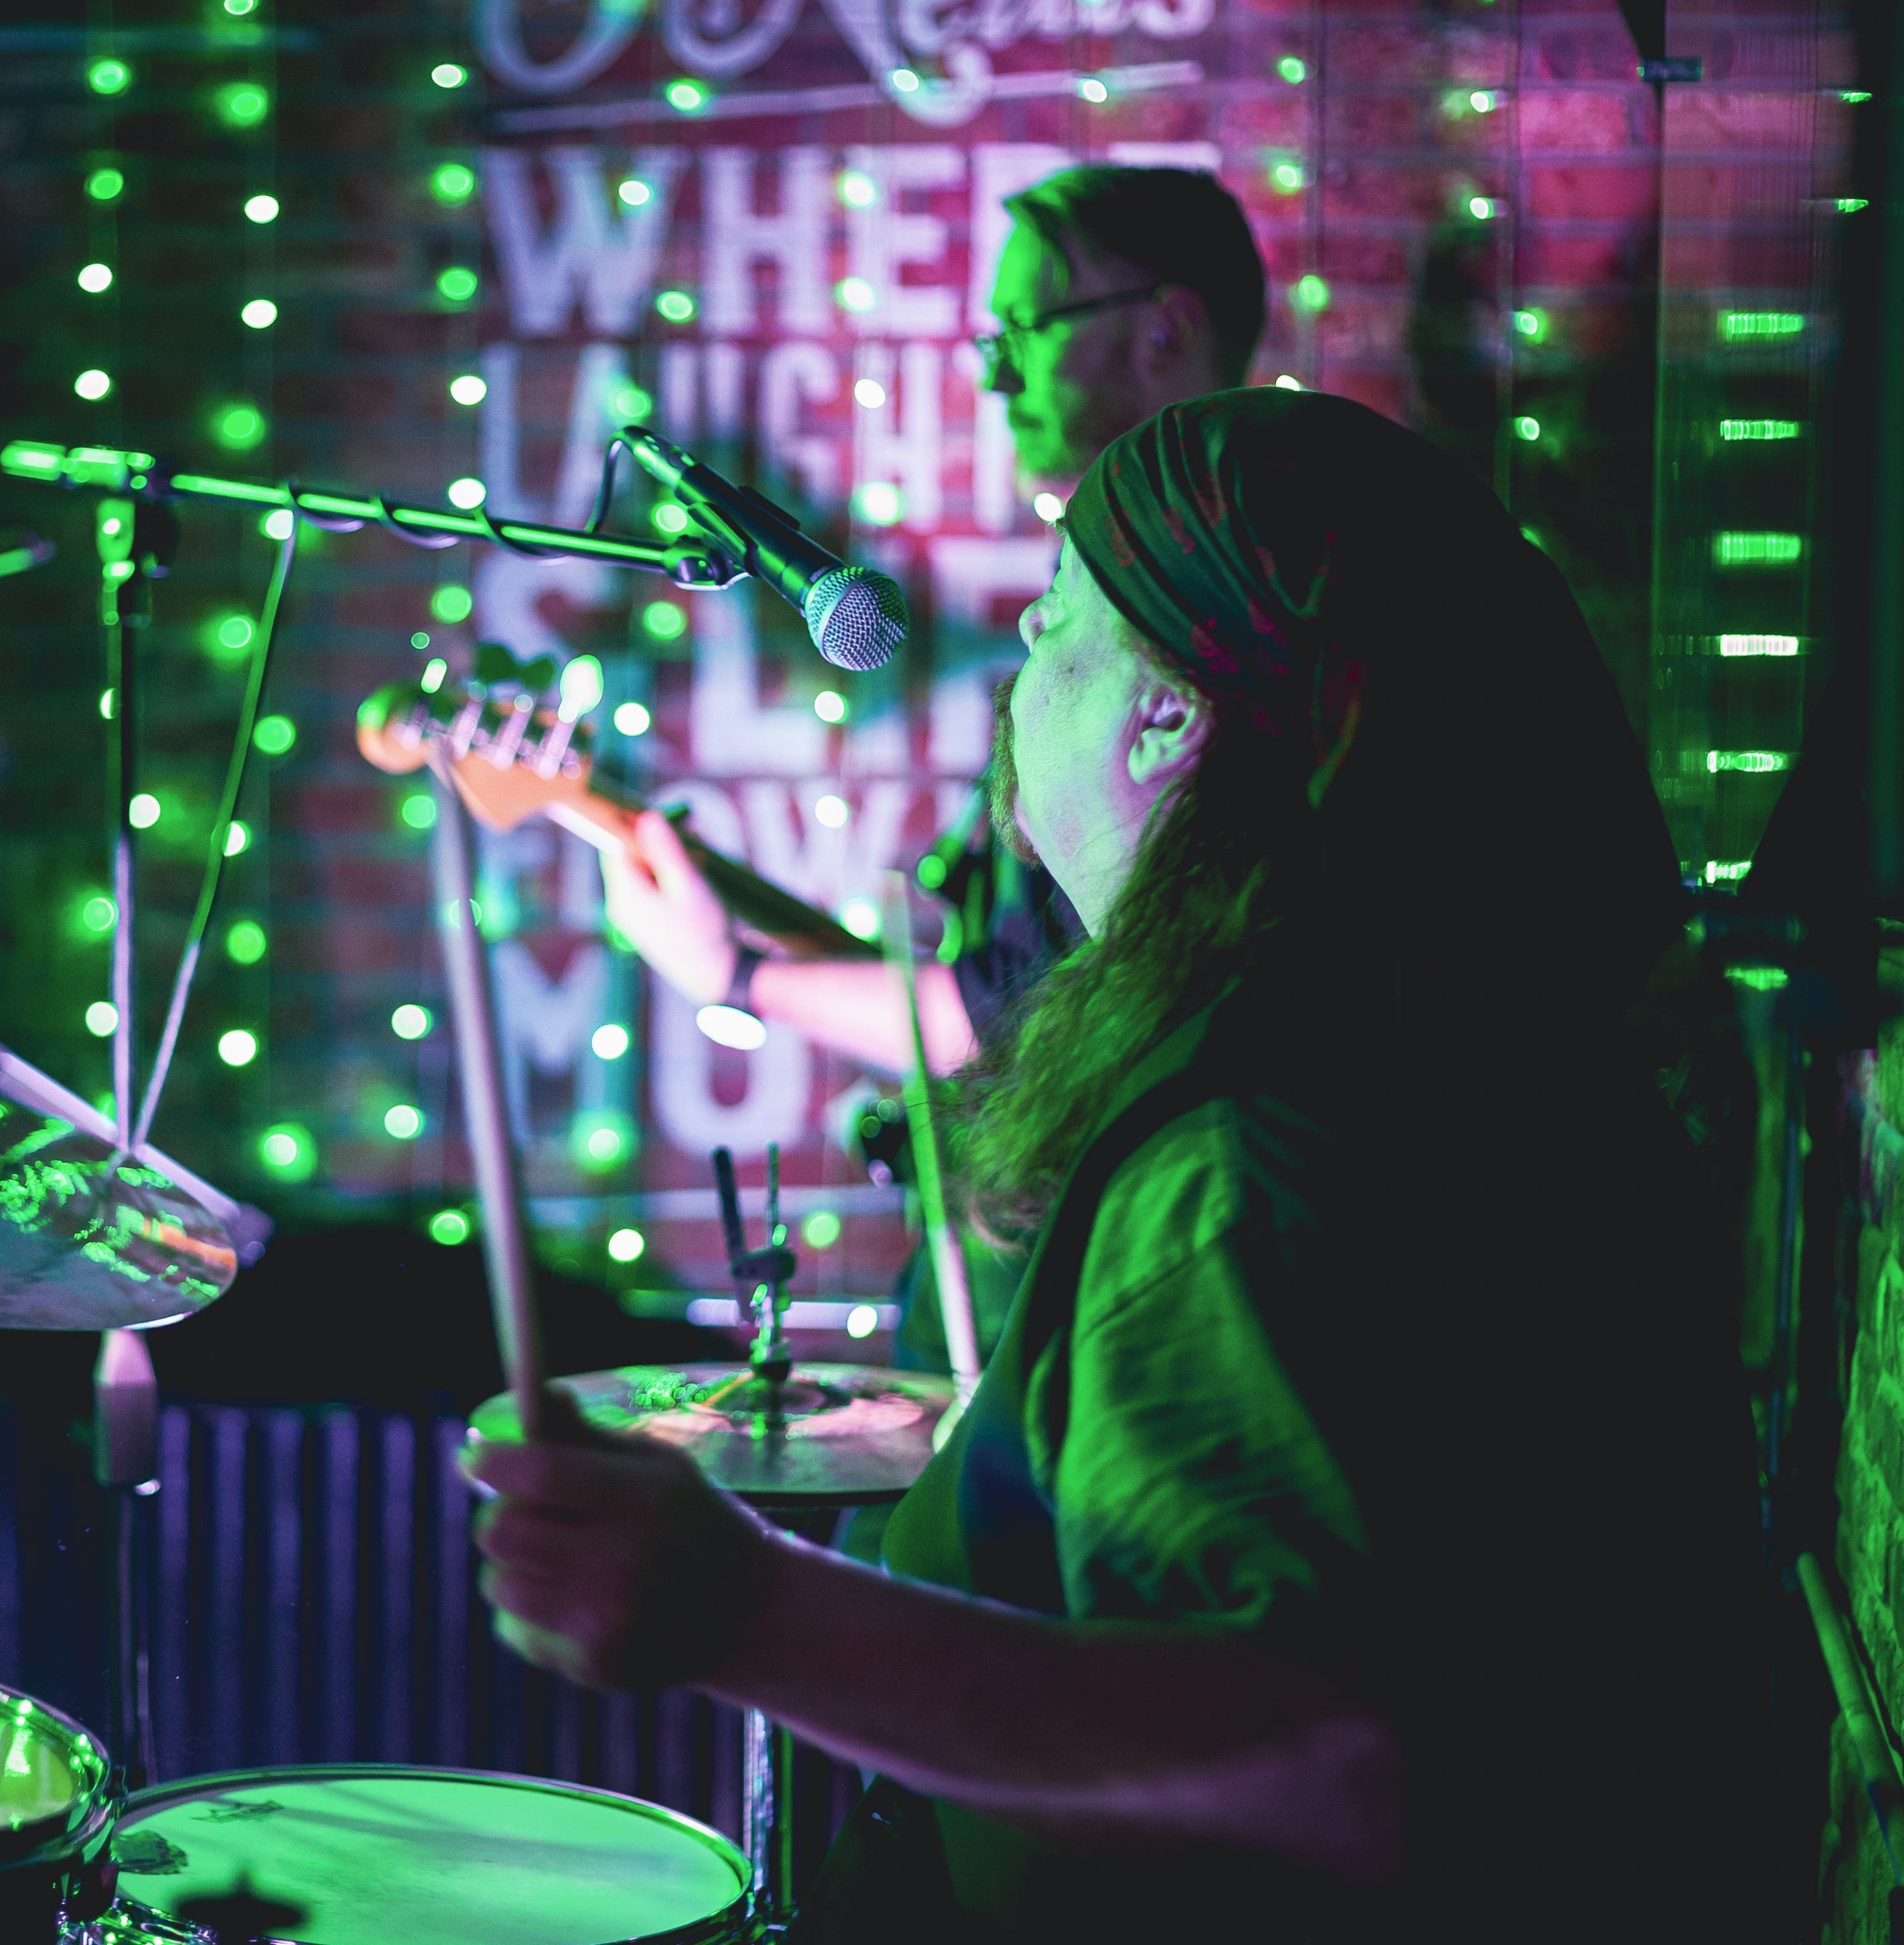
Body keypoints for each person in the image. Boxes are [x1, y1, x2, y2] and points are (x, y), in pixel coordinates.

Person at [470, 390, 1778, 1937]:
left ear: (1164, 715)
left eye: (1053, 626)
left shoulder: (1245, 1159)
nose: (1018, 675)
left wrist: (741, 1604)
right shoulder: (1392, 1031)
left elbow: (1330, 1768)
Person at [613, 165, 1268, 1366]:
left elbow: (1010, 1009)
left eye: (1025, 328)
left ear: (1166, 328)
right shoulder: (1187, 592)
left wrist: (738, 978)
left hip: (1088, 1277)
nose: (994, 370)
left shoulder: (1205, 618)